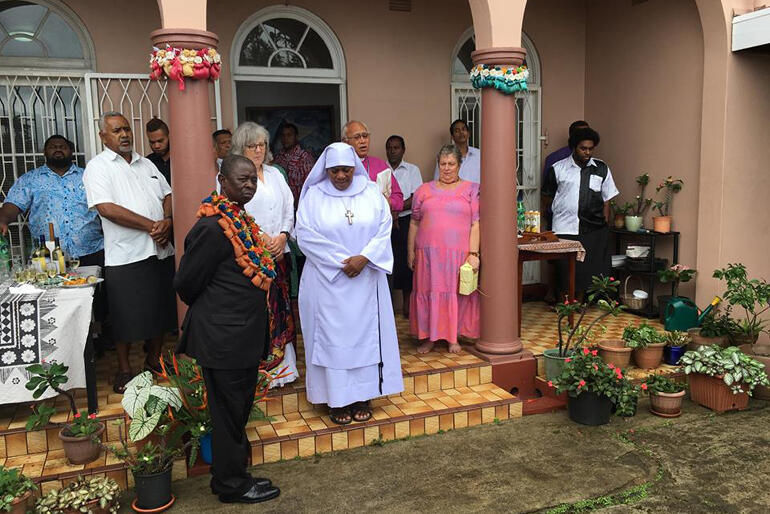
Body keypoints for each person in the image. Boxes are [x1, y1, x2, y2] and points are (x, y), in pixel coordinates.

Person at [175, 154, 280, 505]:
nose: (249, 185)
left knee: (233, 412)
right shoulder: (211, 227)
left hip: (240, 337)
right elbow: (186, 284)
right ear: (222, 180)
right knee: (229, 413)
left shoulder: (239, 219)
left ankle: (229, 477)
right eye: (241, 179)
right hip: (224, 339)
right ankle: (233, 484)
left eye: (253, 179)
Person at [296, 142, 403, 425]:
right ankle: (337, 400)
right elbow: (304, 235)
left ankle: (363, 395)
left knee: (365, 339)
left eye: (345, 169)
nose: (340, 176)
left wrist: (365, 258)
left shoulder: (370, 192)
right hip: (327, 282)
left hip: (366, 280)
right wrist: (343, 262)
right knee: (333, 341)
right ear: (326, 170)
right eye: (334, 171)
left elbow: (384, 227)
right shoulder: (314, 196)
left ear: (354, 166)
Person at [83, 112, 177, 393]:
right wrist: (152, 226)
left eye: (126, 129)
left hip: (159, 250)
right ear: (103, 136)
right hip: (125, 255)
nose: (124, 134)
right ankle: (124, 369)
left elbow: (168, 194)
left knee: (160, 310)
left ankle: (154, 359)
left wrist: (168, 222)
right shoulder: (98, 168)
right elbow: (106, 208)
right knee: (125, 315)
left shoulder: (145, 163)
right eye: (116, 130)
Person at [231, 122, 298, 388]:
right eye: (252, 145)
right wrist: (259, 242)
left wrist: (282, 236)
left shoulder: (275, 174)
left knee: (280, 310)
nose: (258, 150)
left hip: (279, 254)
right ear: (241, 148)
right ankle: (259, 374)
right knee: (257, 315)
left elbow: (289, 208)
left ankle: (284, 370)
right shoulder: (231, 176)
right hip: (250, 259)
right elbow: (233, 215)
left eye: (262, 145)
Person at [410, 144, 480, 354]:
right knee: (428, 293)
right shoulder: (423, 190)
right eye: (443, 164)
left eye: (451, 164)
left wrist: (473, 253)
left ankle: (452, 338)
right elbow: (414, 222)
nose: (447, 168)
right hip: (428, 255)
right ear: (438, 165)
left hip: (457, 255)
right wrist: (410, 251)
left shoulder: (471, 189)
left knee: (454, 294)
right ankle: (429, 337)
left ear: (459, 165)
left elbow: (476, 223)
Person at [0, 135, 103, 263]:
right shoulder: (30, 179)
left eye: (62, 147)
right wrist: (3, 220)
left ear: (71, 151)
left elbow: (106, 205)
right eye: (53, 147)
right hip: (47, 256)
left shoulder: (88, 176)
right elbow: (13, 204)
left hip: (91, 252)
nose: (58, 149)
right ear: (44, 152)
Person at [541, 127, 619, 295]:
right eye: (583, 148)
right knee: (564, 270)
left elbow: (607, 199)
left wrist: (604, 223)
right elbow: (547, 198)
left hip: (593, 228)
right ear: (574, 147)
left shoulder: (601, 168)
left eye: (591, 148)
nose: (587, 152)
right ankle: (564, 304)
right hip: (564, 228)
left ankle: (583, 305)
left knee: (588, 270)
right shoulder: (558, 168)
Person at [541, 120, 590, 302]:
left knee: (581, 258)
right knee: (556, 258)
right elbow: (547, 190)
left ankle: (578, 298)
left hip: (584, 221)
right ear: (571, 137)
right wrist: (551, 211)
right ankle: (553, 293)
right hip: (559, 218)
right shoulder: (556, 159)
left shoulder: (591, 160)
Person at [386, 135, 422, 318]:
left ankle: (408, 307)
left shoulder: (412, 170)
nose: (393, 151)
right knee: (387, 263)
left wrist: (396, 210)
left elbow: (416, 197)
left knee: (407, 262)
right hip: (385, 223)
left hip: (407, 222)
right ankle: (388, 309)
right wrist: (390, 213)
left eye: (396, 147)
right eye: (390, 147)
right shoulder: (381, 170)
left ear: (403, 150)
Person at [341, 120, 403, 212]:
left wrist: (388, 202)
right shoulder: (337, 168)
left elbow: (398, 198)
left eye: (365, 136)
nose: (363, 141)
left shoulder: (380, 165)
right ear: (345, 142)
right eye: (357, 137)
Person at [273, 122, 315, 210]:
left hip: (299, 207)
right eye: (283, 135)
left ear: (296, 137)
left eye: (289, 135)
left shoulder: (304, 157)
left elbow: (309, 184)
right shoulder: (278, 157)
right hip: (281, 207)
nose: (285, 138)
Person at [433, 119, 481, 183]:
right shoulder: (444, 156)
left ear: (468, 133)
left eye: (463, 129)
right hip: (452, 192)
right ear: (452, 136)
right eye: (457, 131)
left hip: (477, 192)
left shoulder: (479, 155)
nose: (461, 132)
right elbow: (437, 181)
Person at [145, 118, 171, 185]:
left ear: (169, 137)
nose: (156, 146)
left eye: (160, 141)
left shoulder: (182, 159)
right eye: (152, 142)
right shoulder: (147, 163)